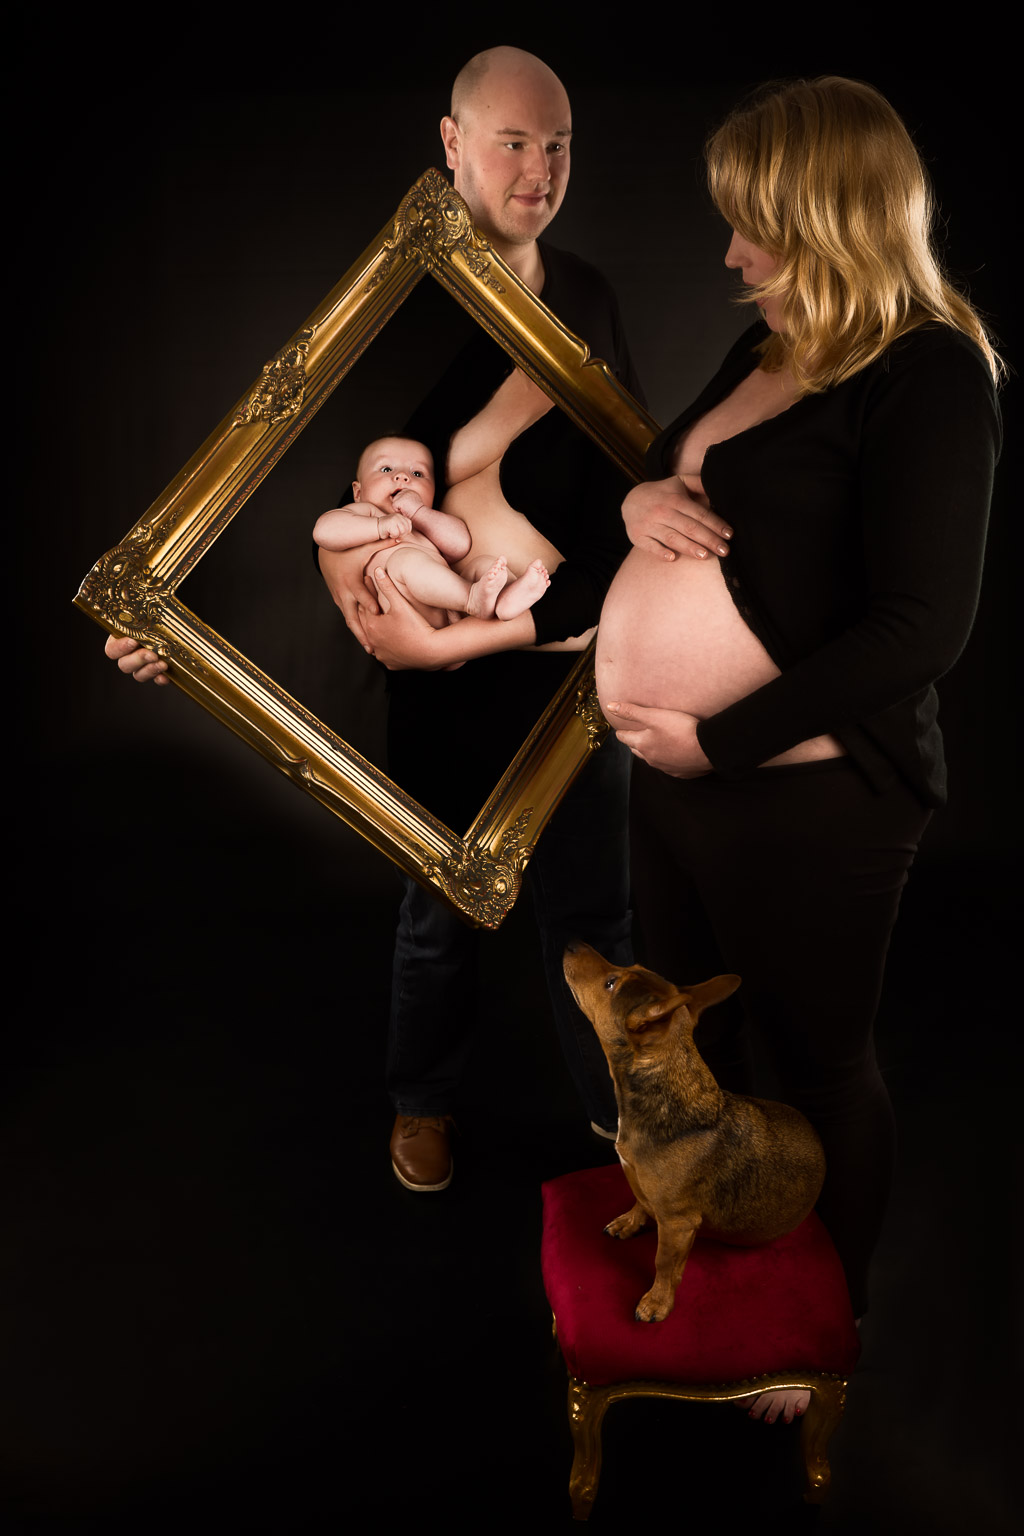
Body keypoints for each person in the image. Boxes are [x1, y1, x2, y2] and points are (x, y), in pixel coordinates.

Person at [107, 47, 648, 1188]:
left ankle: (621, 1122)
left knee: (594, 914)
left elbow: (622, 474)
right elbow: (273, 491)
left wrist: (576, 603)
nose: (540, 170)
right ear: (451, 144)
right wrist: (171, 621)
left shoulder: (589, 297)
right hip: (435, 674)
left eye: (558, 146)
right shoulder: (393, 305)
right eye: (513, 142)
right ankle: (423, 1100)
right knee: (437, 905)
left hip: (566, 657)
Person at [597, 76, 1001, 1421]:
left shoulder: (927, 373)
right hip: (677, 784)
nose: (729, 256)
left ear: (829, 217)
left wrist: (720, 739)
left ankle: (832, 1313)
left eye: (752, 228)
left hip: (815, 794)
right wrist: (640, 495)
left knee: (816, 1063)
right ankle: (720, 1262)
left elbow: (920, 628)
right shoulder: (765, 347)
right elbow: (681, 470)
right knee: (692, 1049)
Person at [313, 435, 551, 626]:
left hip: (449, 607)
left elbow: (460, 545)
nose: (402, 476)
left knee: (485, 565)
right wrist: (379, 526)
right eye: (386, 469)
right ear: (357, 492)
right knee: (406, 560)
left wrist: (420, 513)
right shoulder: (364, 512)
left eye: (417, 473)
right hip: (401, 607)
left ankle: (506, 600)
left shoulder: (422, 522)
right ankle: (470, 598)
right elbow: (323, 532)